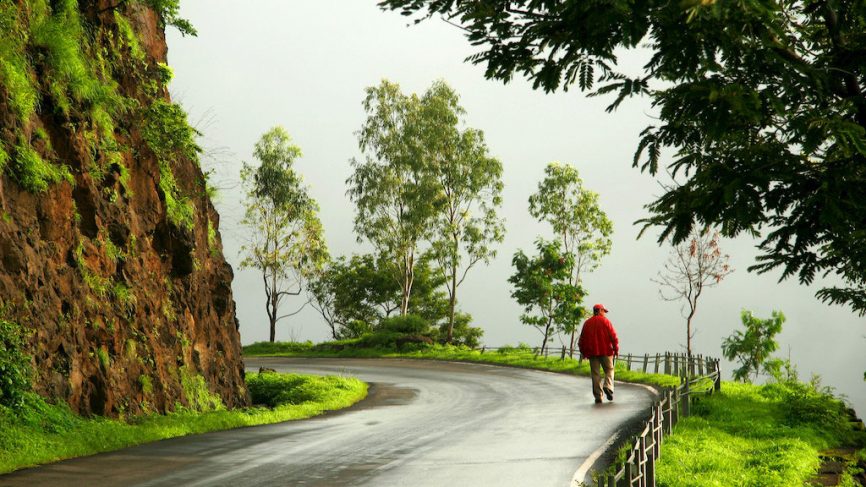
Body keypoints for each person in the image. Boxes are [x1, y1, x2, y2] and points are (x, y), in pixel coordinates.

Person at [578, 304, 619, 404]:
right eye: (604, 311)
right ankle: (608, 386)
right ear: (600, 310)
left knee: (595, 374)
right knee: (609, 370)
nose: (604, 313)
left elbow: (582, 340)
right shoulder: (606, 322)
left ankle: (598, 396)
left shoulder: (587, 323)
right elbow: (613, 336)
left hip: (592, 353)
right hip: (606, 351)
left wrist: (583, 352)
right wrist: (616, 349)